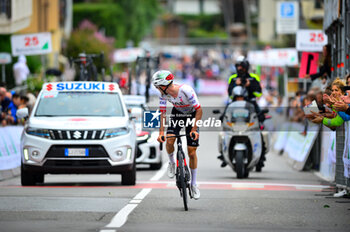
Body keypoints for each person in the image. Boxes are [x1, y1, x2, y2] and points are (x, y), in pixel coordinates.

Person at [152, 70, 202, 200]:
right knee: (169, 141)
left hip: (192, 115)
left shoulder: (186, 90)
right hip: (177, 114)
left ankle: (194, 184)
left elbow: (199, 110)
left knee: (191, 152)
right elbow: (162, 113)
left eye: (158, 86)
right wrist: (161, 132)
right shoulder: (163, 95)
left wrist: (194, 129)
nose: (157, 89)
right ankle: (172, 162)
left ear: (164, 85)